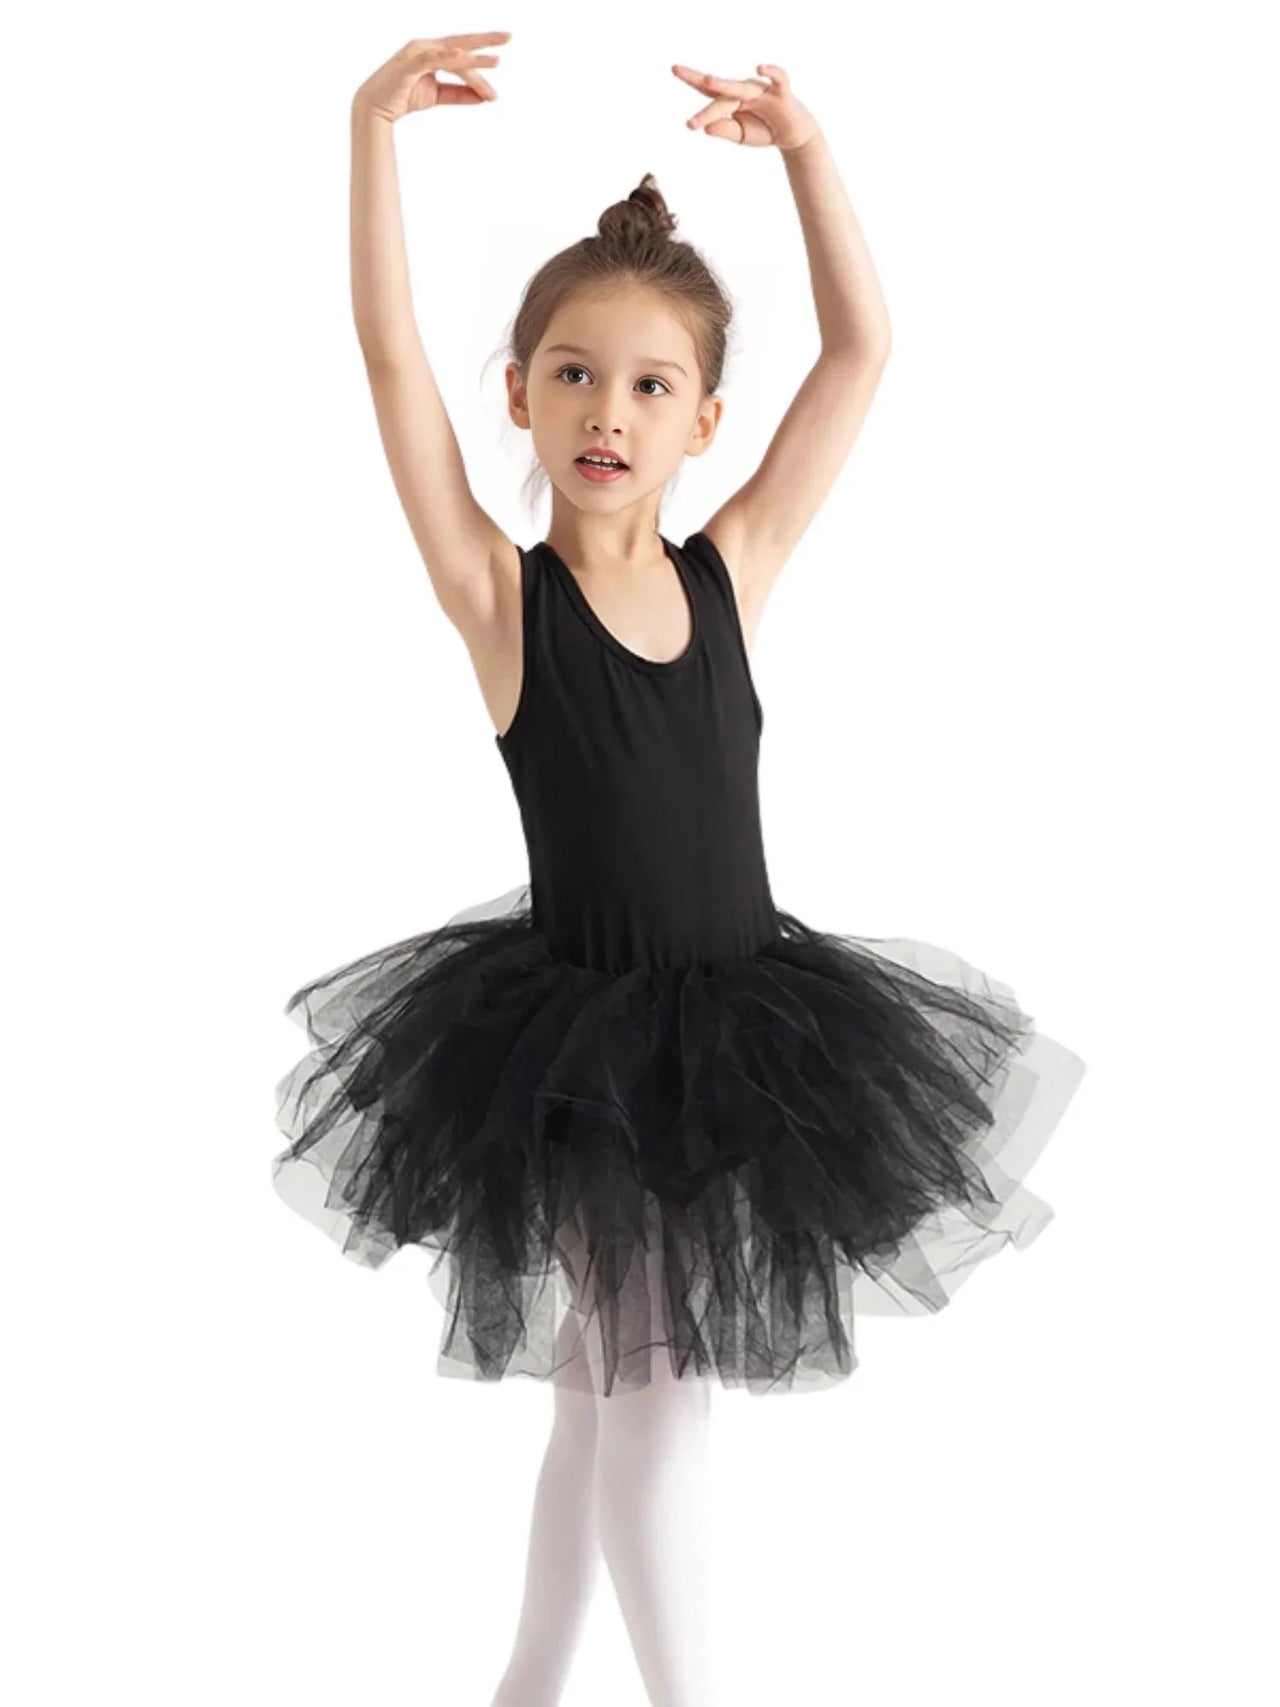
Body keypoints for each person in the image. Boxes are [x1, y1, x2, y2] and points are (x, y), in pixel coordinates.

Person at [272, 33, 1088, 1707]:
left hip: (747, 1032)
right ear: (520, 392)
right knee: (660, 1397)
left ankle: (526, 1690)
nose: (609, 411)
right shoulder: (504, 603)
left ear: (706, 421)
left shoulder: (734, 571)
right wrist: (370, 132)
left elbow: (862, 352)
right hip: (586, 1059)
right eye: (574, 374)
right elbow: (386, 360)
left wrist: (806, 151)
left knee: (606, 1398)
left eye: (652, 387)